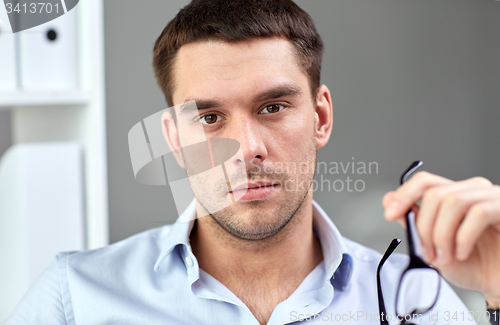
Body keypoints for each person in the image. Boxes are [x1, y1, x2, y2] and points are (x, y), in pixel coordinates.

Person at [7, 0, 500, 324]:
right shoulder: (74, 300)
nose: (246, 148)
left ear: (321, 117)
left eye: (273, 107)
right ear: (174, 140)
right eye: (209, 117)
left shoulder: (414, 302)